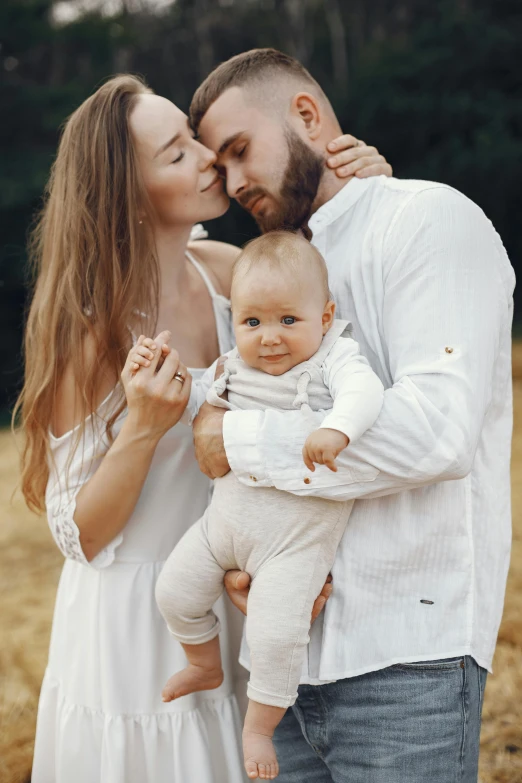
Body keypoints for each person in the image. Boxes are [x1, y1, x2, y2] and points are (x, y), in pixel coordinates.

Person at [14, 72, 391, 783]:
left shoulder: (227, 276)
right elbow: (80, 535)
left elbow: (325, 288)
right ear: (127, 191)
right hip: (137, 626)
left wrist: (367, 186)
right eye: (177, 152)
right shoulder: (88, 332)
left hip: (233, 585)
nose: (208, 157)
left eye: (194, 138)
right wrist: (145, 427)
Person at [188, 48, 516, 783]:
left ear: (306, 114)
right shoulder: (275, 276)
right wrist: (248, 558)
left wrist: (237, 441)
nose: (235, 182)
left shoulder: (428, 219)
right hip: (283, 672)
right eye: (220, 166)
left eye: (241, 152)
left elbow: (437, 430)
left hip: (406, 660)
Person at [142, 231, 383, 781]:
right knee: (173, 592)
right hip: (222, 528)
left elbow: (364, 394)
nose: (269, 338)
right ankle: (203, 664)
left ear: (325, 316)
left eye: (287, 321)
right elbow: (201, 404)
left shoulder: (334, 357)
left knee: (275, 637)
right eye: (253, 322)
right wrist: (164, 370)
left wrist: (337, 428)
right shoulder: (233, 364)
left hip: (293, 547)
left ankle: (259, 727)